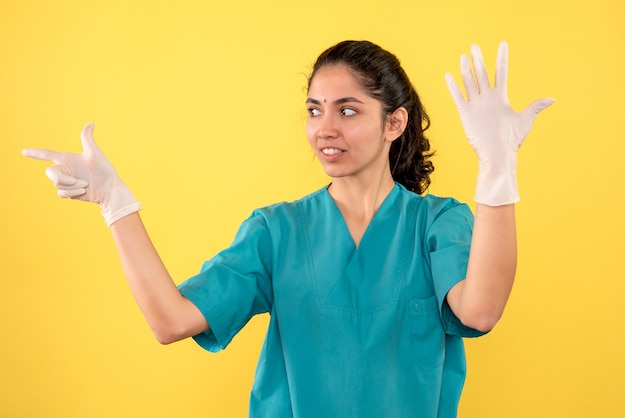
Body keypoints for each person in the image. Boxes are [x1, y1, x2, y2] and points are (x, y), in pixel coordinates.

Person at [23, 40, 554, 417]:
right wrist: (115, 203)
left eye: (348, 110)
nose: (325, 129)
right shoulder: (276, 232)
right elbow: (171, 320)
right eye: (314, 110)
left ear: (395, 122)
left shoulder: (439, 222)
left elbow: (479, 311)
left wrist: (497, 166)